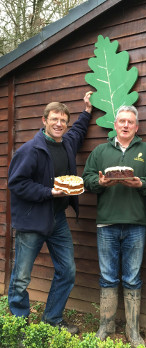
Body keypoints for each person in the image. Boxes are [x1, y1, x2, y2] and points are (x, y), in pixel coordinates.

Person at [8, 92, 93, 335]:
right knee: (22, 277)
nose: (59, 124)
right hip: (33, 220)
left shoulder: (66, 142)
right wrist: (49, 192)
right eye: (55, 119)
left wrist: (86, 111)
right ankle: (17, 326)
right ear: (44, 120)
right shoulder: (30, 150)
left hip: (57, 219)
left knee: (67, 271)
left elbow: (77, 131)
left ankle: (52, 319)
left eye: (63, 120)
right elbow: (17, 183)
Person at [82, 105, 146, 348]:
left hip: (136, 223)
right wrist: (101, 182)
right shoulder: (100, 150)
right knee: (107, 277)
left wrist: (141, 184)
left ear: (136, 127)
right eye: (122, 121)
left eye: (130, 122)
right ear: (115, 125)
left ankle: (132, 330)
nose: (126, 125)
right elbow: (87, 178)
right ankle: (105, 326)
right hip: (106, 223)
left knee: (132, 277)